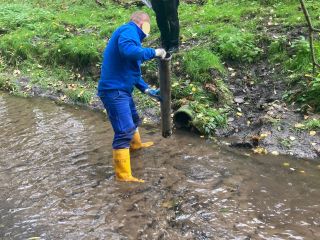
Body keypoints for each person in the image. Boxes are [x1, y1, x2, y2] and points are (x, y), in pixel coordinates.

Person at [97, 12, 166, 183]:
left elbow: (132, 72)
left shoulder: (132, 37)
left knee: (134, 119)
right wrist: (155, 52)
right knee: (124, 130)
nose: (148, 30)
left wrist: (147, 90)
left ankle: (135, 146)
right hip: (114, 91)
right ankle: (123, 176)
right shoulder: (128, 31)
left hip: (122, 90)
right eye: (148, 25)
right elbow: (129, 52)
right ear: (142, 23)